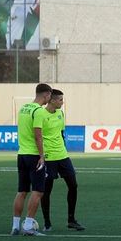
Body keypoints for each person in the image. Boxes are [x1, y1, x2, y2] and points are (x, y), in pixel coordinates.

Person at [38, 89, 85, 231]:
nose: (62, 103)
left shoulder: (60, 113)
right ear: (52, 100)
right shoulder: (41, 114)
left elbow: (61, 133)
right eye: (60, 100)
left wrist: (64, 148)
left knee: (73, 185)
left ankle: (71, 219)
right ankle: (47, 222)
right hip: (48, 157)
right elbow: (37, 136)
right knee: (46, 191)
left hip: (62, 156)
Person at [10, 83, 51, 236]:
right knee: (38, 191)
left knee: (22, 191)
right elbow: (38, 135)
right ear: (46, 95)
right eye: (49, 96)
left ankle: (15, 226)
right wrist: (42, 156)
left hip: (22, 154)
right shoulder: (39, 111)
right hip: (34, 155)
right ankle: (28, 226)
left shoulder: (24, 108)